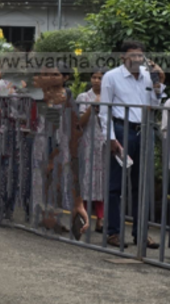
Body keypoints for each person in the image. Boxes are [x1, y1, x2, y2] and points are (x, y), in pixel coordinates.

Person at [100, 40, 164, 249]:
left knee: (141, 185)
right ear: (123, 57)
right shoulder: (111, 77)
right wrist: (110, 138)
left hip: (143, 130)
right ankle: (113, 232)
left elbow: (154, 105)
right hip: (122, 129)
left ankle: (141, 233)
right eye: (132, 56)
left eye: (139, 56)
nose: (136, 59)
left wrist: (158, 84)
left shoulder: (148, 74)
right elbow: (104, 110)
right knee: (116, 184)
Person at [31, 61, 89, 236]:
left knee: (58, 179)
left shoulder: (68, 94)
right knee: (41, 178)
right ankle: (40, 218)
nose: (51, 78)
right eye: (48, 74)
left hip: (62, 142)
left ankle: (55, 218)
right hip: (42, 139)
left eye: (56, 75)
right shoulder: (38, 94)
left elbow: (74, 120)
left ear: (65, 77)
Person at [75, 68, 108, 233]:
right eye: (94, 77)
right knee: (86, 179)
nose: (96, 81)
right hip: (87, 142)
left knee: (102, 180)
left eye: (100, 78)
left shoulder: (111, 97)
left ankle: (101, 219)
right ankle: (84, 218)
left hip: (104, 143)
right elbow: (80, 121)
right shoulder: (83, 97)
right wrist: (93, 106)